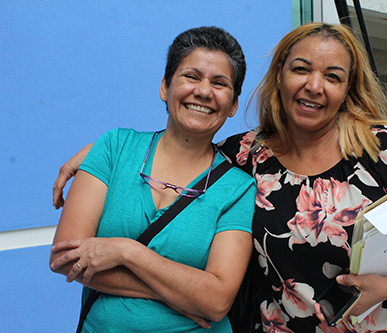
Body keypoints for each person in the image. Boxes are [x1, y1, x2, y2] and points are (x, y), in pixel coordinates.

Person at [53, 23, 387, 333]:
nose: (314, 86)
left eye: (333, 76)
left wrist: (385, 286)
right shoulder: (249, 155)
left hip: (384, 326)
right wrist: (98, 152)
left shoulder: (384, 149)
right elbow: (185, 141)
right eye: (300, 69)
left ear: (348, 89)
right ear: (280, 78)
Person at [49, 26, 257, 332]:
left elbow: (215, 301)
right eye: (191, 76)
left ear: (233, 105)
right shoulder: (114, 148)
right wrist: (179, 296)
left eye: (219, 83)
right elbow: (67, 257)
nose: (203, 91)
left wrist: (126, 251)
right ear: (165, 86)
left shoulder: (238, 188)